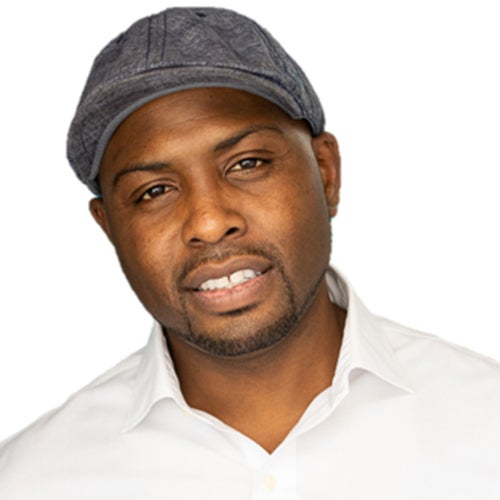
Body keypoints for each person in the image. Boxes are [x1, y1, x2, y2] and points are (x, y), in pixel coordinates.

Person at [0, 6, 499, 499]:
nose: (209, 222)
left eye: (247, 163)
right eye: (154, 191)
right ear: (109, 226)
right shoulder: (31, 481)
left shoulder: (485, 424)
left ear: (326, 173)